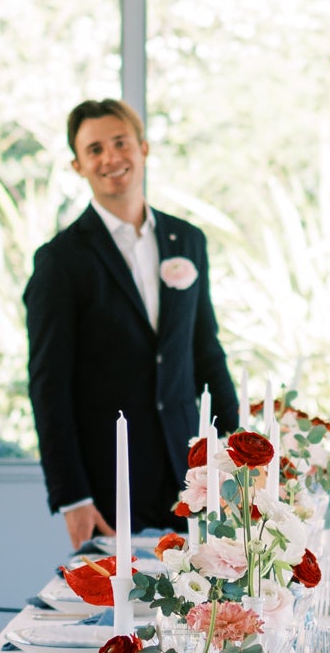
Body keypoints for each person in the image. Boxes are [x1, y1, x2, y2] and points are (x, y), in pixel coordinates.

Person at [25, 98, 239, 549]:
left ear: (142, 148)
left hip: (193, 476)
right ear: (78, 165)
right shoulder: (60, 262)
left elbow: (206, 354)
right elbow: (49, 387)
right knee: (120, 616)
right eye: (95, 149)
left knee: (209, 611)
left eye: (120, 143)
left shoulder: (189, 241)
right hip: (109, 483)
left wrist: (237, 459)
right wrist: (73, 497)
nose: (110, 158)